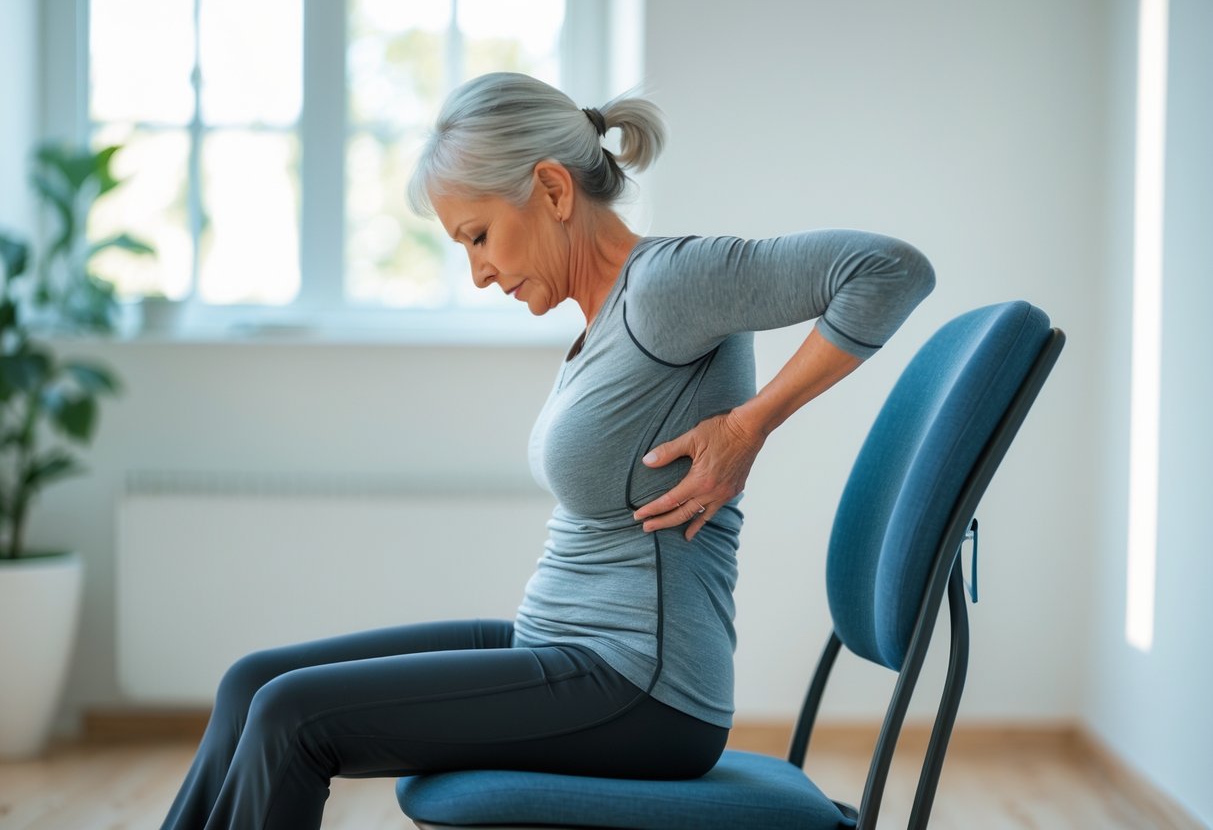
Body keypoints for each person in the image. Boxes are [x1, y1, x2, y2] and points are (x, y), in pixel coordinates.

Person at [161, 72, 934, 830]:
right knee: (254, 683)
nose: (478, 271)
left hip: (640, 687)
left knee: (295, 716)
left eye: (479, 236)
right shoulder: (602, 319)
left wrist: (749, 425)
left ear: (553, 191)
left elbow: (888, 268)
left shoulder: (667, 284)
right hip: (564, 646)